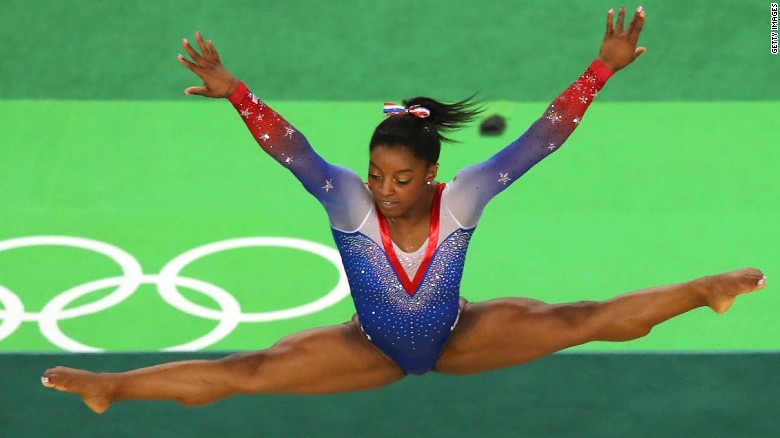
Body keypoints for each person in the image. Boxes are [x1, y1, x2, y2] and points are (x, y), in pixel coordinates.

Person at [42, 6, 766, 414]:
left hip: (461, 334)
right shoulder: (348, 202)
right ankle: (114, 386)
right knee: (250, 370)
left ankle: (703, 292)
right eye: (377, 175)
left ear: (431, 175)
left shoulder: (467, 196)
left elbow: (543, 138)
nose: (384, 191)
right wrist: (238, 94)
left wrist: (601, 68)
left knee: (581, 320)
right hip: (369, 349)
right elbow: (289, 148)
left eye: (401, 179)